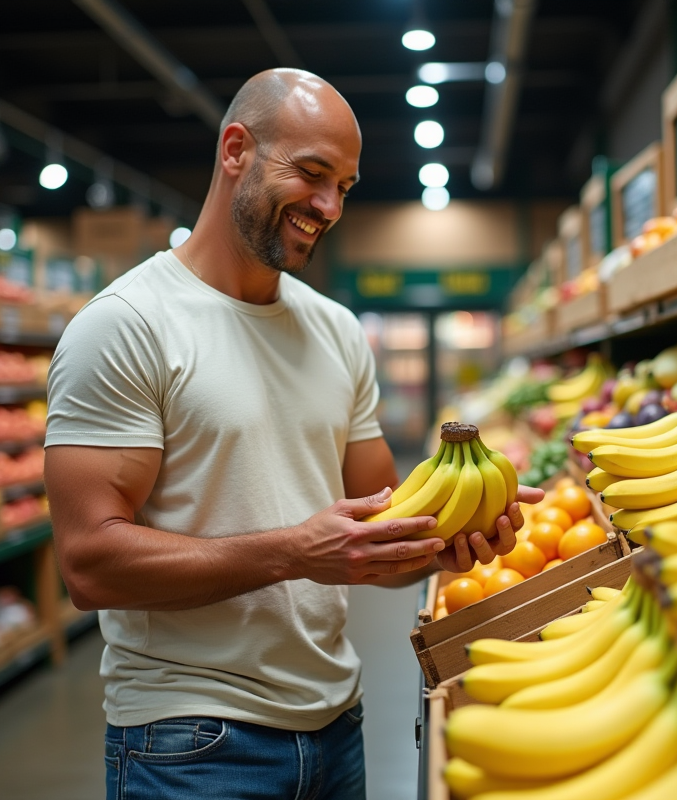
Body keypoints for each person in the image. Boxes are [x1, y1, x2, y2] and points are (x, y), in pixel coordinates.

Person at [44, 68, 542, 800]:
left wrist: (443, 546)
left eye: (344, 186)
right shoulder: (126, 326)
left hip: (337, 724)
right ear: (235, 150)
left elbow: (377, 541)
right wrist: (294, 552)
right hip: (190, 741)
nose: (329, 206)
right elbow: (89, 566)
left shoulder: (336, 331)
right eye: (311, 174)